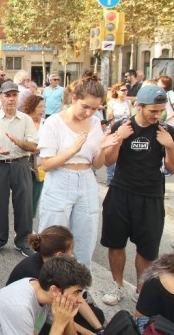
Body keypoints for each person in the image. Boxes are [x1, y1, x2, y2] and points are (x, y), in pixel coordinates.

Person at [101, 84, 174, 306]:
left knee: (147, 249)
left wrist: (170, 147)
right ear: (140, 106)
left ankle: (141, 290)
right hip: (121, 193)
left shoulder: (166, 131)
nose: (158, 115)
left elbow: (173, 169)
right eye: (153, 110)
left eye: (161, 110)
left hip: (151, 197)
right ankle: (117, 285)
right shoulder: (122, 126)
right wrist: (119, 138)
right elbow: (108, 161)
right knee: (116, 244)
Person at [38, 72, 119, 269]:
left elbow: (97, 164)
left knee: (86, 237)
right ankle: (49, 285)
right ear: (74, 98)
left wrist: (104, 147)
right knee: (53, 237)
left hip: (86, 180)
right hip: (59, 178)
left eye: (95, 108)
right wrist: (72, 149)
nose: (90, 112)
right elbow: (46, 164)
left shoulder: (94, 123)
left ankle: (79, 289)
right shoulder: (53, 123)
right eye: (86, 106)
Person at [6, 226, 105, 335]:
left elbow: (75, 296)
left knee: (97, 315)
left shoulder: (55, 266)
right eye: (71, 251)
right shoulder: (38, 274)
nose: (72, 255)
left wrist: (100, 330)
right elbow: (55, 317)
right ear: (59, 255)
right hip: (33, 317)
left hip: (44, 310)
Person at [0, 81, 39, 257]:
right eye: (7, 95)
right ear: (1, 97)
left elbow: (33, 145)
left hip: (21, 164)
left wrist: (19, 142)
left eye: (14, 95)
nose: (11, 99)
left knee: (24, 205)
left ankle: (23, 242)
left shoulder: (26, 119)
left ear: (18, 97)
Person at [0, 255, 91, 335]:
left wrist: (68, 318)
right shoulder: (19, 307)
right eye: (76, 293)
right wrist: (59, 325)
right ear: (55, 290)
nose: (81, 300)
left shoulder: (42, 290)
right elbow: (58, 328)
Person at [21, 94, 45, 218]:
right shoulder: (23, 121)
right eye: (40, 107)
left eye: (43, 106)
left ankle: (29, 220)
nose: (43, 109)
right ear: (32, 107)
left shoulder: (46, 123)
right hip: (24, 161)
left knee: (36, 192)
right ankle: (22, 223)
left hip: (40, 163)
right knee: (24, 194)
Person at [105, 82, 132, 185]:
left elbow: (131, 116)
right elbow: (110, 117)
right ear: (116, 91)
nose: (125, 92)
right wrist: (115, 129)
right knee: (112, 151)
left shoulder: (128, 102)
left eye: (126, 90)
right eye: (123, 90)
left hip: (126, 129)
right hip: (115, 129)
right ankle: (110, 177)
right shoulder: (111, 103)